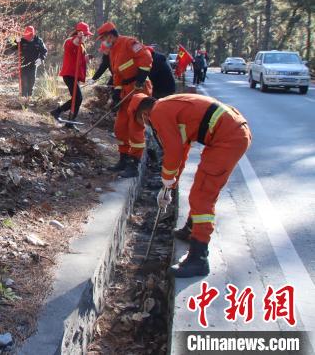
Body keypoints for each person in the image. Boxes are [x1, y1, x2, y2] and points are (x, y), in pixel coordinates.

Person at [129, 93, 251, 277]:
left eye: (141, 122)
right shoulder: (168, 108)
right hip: (230, 132)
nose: (145, 126)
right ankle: (191, 229)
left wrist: (166, 181)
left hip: (228, 138)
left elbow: (173, 150)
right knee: (201, 188)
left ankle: (198, 258)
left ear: (144, 114)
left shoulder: (158, 113)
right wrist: (170, 185)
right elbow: (182, 150)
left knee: (202, 195)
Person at [96, 22, 153, 178]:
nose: (104, 41)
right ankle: (123, 159)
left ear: (111, 35)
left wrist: (141, 78)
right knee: (120, 127)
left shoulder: (129, 43)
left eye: (104, 38)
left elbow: (146, 57)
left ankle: (134, 164)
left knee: (135, 127)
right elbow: (117, 74)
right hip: (126, 91)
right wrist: (116, 94)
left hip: (139, 89)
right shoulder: (113, 51)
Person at [49, 22, 92, 125]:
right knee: (78, 98)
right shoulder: (69, 41)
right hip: (69, 75)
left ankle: (70, 122)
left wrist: (86, 58)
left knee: (77, 99)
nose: (87, 37)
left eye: (87, 35)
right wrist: (78, 38)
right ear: (79, 33)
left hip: (75, 75)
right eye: (85, 35)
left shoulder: (82, 45)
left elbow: (79, 59)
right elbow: (72, 45)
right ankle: (57, 112)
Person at [18, 26, 47, 98]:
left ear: (33, 34)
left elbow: (44, 51)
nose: (28, 38)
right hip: (23, 64)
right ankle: (23, 96)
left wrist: (41, 59)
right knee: (24, 80)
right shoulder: (21, 40)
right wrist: (16, 41)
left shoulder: (38, 41)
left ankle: (29, 96)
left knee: (32, 80)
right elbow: (12, 47)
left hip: (34, 64)